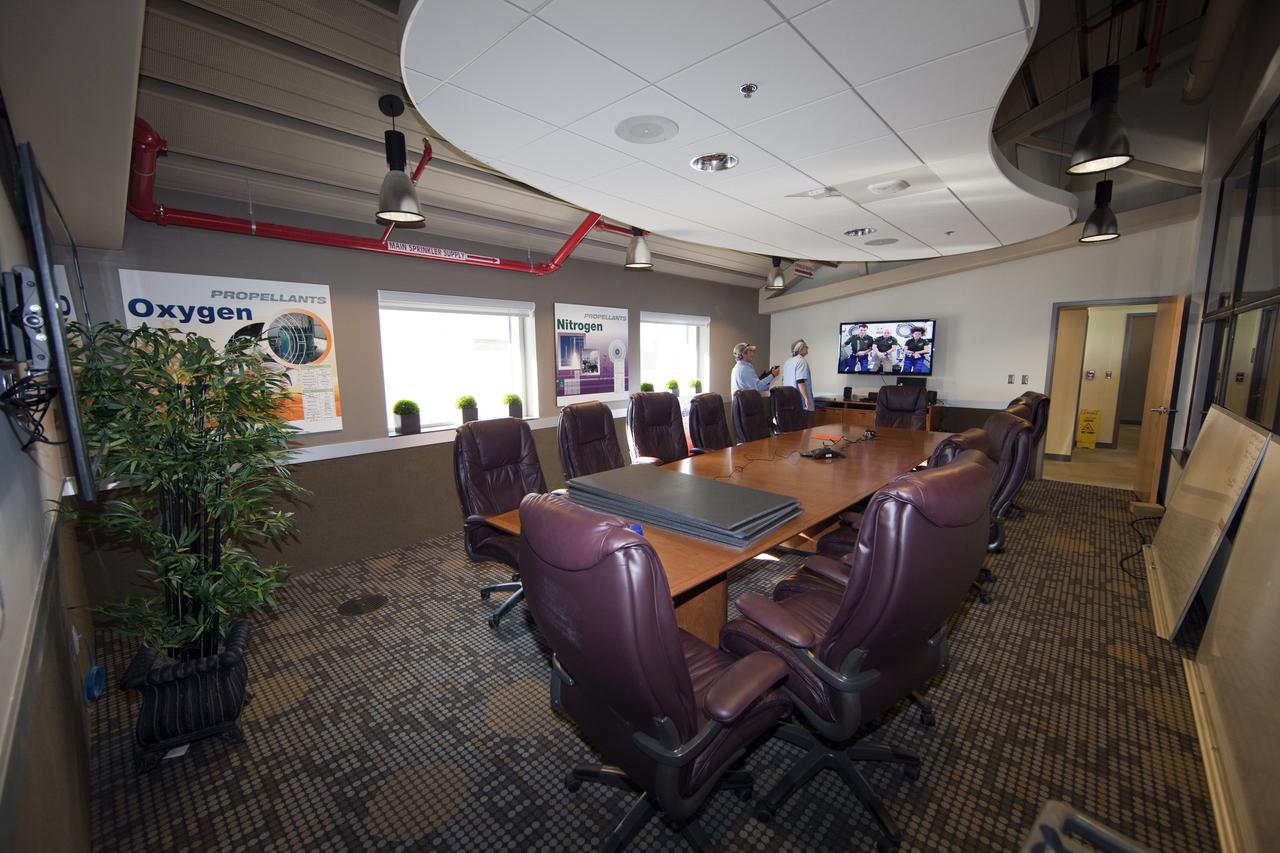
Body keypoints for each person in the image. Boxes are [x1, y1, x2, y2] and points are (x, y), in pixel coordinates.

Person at [782, 339, 814, 411]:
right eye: (806, 347)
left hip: (788, 400)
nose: (807, 348)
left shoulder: (788, 362)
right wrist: (806, 399)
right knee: (802, 422)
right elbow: (800, 381)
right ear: (801, 349)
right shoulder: (801, 361)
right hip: (799, 402)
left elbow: (783, 380)